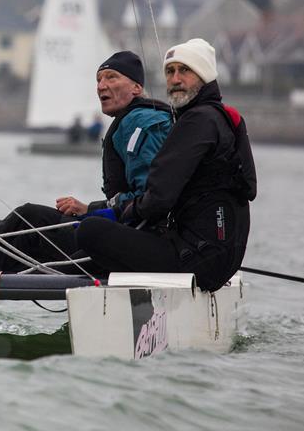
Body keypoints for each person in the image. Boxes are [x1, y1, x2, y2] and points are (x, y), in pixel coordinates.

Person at [0, 51, 172, 273]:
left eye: (111, 77)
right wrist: (91, 208)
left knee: (29, 218)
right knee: (30, 221)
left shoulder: (141, 123)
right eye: (98, 79)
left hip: (129, 241)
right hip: (123, 232)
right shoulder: (136, 119)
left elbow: (148, 198)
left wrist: (92, 210)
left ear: (137, 88)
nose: (101, 86)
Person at [75, 38, 257, 291]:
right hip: (221, 259)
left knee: (90, 231)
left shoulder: (197, 122)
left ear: (204, 75)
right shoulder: (223, 117)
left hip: (197, 260)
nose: (175, 79)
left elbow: (157, 200)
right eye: (170, 72)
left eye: (185, 70)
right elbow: (249, 188)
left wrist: (115, 212)